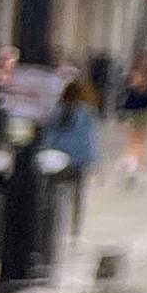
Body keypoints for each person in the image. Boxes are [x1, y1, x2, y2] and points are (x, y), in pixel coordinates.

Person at [48, 75, 103, 239]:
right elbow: (89, 139)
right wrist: (95, 162)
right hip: (79, 161)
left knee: (54, 194)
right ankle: (75, 232)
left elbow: (49, 135)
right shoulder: (86, 113)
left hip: (59, 158)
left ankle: (54, 226)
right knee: (78, 198)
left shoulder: (57, 110)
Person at [117, 57, 147, 189]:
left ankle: (132, 166)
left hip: (134, 114)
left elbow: (127, 99)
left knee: (132, 141)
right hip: (145, 115)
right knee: (140, 142)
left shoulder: (133, 81)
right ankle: (136, 166)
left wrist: (122, 113)